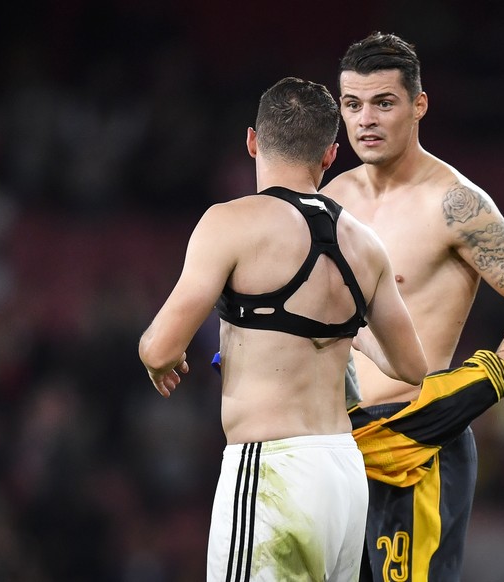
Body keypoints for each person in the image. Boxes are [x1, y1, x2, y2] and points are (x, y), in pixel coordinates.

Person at [138, 76, 427, 582]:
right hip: (343, 477)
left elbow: (161, 345)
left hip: (270, 468)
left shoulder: (231, 223)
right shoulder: (365, 243)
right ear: (331, 154)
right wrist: (340, 328)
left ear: (252, 140)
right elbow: (412, 368)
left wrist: (156, 357)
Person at [321, 32, 504, 581]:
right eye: (353, 105)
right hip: (338, 446)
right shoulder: (332, 199)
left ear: (418, 105)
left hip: (417, 445)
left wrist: (467, 394)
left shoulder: (455, 203)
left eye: (384, 103)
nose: (366, 120)